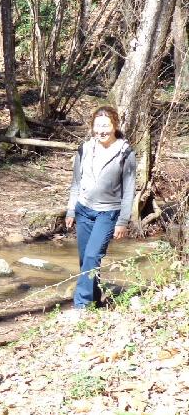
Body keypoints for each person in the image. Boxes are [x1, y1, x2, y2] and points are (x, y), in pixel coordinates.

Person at [65, 106, 136, 309]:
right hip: (84, 209)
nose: (101, 130)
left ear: (115, 126)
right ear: (92, 127)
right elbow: (76, 183)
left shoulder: (125, 152)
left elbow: (129, 190)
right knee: (85, 259)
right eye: (97, 126)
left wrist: (123, 220)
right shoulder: (85, 149)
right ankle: (95, 299)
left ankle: (82, 306)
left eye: (105, 125)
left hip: (108, 212)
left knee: (92, 255)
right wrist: (71, 210)